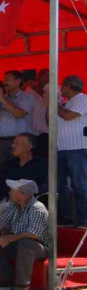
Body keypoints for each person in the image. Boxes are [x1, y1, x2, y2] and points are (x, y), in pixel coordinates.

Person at [0, 179, 49, 290]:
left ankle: (22, 284)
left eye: (12, 191)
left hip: (39, 247)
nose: (9, 193)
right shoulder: (13, 206)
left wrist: (11, 238)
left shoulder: (37, 208)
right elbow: (0, 223)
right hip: (19, 242)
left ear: (22, 194)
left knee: (26, 243)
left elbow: (34, 234)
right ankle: (7, 278)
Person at [55, 75, 87, 227]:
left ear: (69, 87)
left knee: (80, 184)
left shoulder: (83, 99)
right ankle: (65, 217)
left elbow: (68, 116)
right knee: (60, 185)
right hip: (62, 148)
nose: (61, 90)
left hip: (77, 149)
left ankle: (83, 219)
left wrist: (54, 104)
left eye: (63, 86)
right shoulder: (66, 103)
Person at [0, 70, 36, 170]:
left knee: (18, 170)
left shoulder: (27, 97)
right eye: (4, 79)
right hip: (0, 142)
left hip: (18, 142)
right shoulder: (2, 98)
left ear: (18, 81)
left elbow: (19, 114)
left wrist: (0, 97)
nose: (4, 82)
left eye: (7, 80)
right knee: (0, 172)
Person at [23, 72, 49, 157]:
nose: (46, 79)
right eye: (44, 77)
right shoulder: (28, 92)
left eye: (48, 76)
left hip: (48, 131)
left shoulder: (54, 91)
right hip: (32, 131)